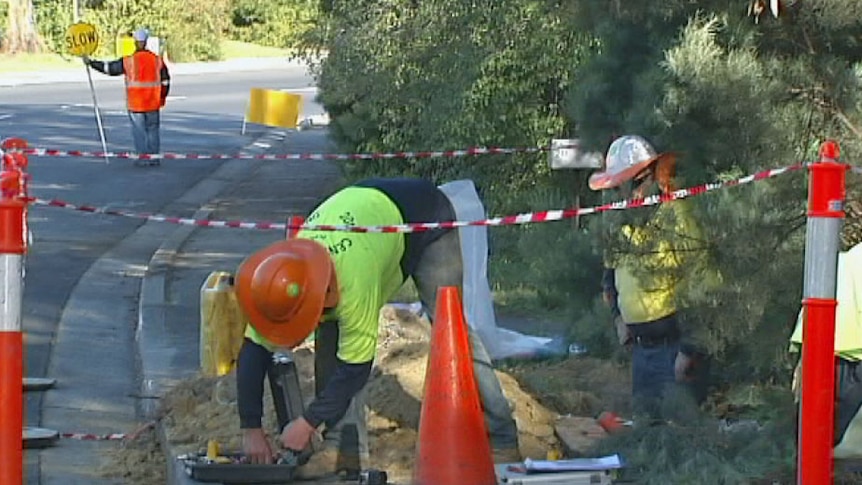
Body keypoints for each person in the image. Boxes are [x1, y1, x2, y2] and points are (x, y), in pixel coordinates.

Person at [233, 177, 521, 478]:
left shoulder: (353, 282)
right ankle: (343, 450)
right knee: (329, 333)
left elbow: (355, 368)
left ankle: (501, 435)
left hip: (426, 220)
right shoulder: (285, 278)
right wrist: (250, 427)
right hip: (371, 214)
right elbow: (253, 350)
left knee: (452, 330)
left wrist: (307, 423)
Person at [590, 135, 712, 417]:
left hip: (677, 350)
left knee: (681, 436)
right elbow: (610, 278)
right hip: (642, 353)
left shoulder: (679, 217)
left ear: (653, 176)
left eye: (637, 183)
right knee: (647, 431)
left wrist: (690, 350)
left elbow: (704, 286)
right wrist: (618, 317)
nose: (631, 194)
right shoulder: (621, 222)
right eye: (623, 187)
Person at [790, 241, 862, 456]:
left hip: (827, 347)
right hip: (836, 348)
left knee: (816, 437)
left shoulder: (844, 260)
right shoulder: (846, 261)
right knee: (823, 437)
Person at [84, 28, 170, 161]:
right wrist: (162, 97)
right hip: (153, 103)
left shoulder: (129, 61)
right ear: (145, 42)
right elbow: (165, 81)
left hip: (136, 104)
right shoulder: (156, 60)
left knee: (139, 131)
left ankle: (143, 159)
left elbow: (110, 68)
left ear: (135, 42)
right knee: (153, 130)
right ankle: (154, 158)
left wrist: (92, 63)